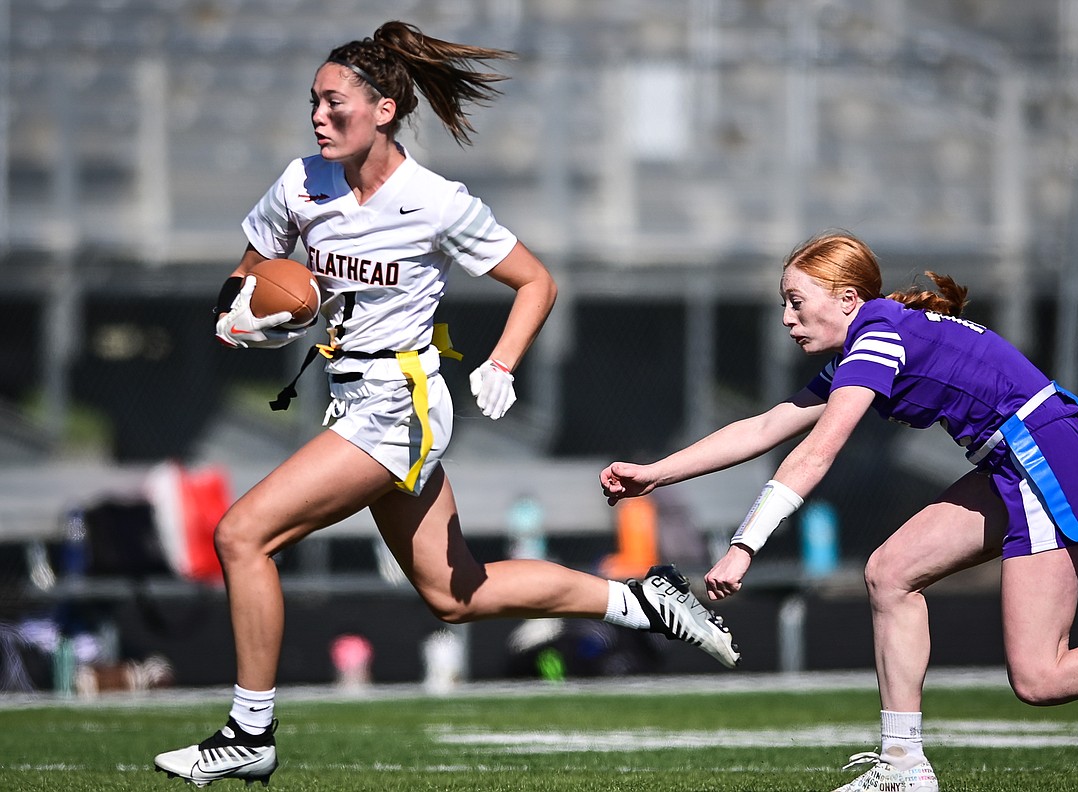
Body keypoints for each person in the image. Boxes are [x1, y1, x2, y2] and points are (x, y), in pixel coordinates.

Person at [153, 21, 738, 788]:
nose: (319, 117)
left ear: (385, 108)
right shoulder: (302, 182)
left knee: (242, 535)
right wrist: (244, 316)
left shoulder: (436, 202)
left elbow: (536, 281)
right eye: (314, 104)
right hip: (350, 398)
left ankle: (248, 733)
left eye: (335, 104)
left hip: (401, 402)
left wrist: (501, 361)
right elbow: (250, 275)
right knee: (457, 594)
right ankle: (640, 600)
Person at [600, 231, 1078, 792]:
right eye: (783, 304)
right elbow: (768, 425)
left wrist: (744, 546)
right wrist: (655, 474)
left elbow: (819, 449)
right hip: (1020, 460)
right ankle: (903, 764)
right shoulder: (870, 339)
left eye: (796, 302)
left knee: (1041, 677)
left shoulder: (877, 334)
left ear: (847, 299)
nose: (786, 318)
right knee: (890, 573)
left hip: (1046, 459)